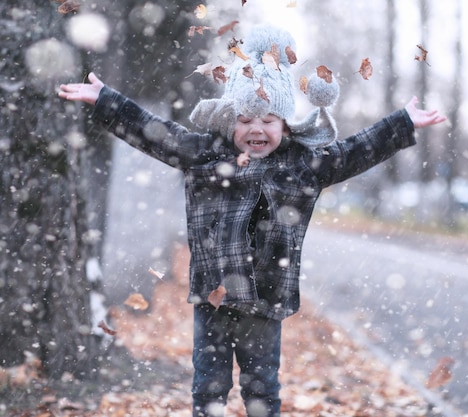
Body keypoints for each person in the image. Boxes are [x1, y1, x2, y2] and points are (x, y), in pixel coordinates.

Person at [59, 25, 446, 417]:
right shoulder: (205, 153)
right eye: (245, 119)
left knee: (262, 388)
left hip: (266, 299)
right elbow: (157, 134)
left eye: (268, 120)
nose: (256, 129)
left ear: (285, 125)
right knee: (208, 386)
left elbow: (354, 152)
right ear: (230, 121)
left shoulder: (303, 164)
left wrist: (402, 123)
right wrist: (107, 100)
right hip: (213, 296)